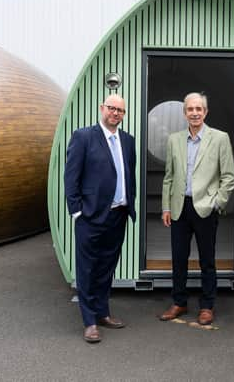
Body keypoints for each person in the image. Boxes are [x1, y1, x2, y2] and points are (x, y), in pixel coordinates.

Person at [64, 94, 136, 343]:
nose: (115, 113)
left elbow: (129, 175)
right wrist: (77, 211)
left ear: (124, 115)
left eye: (120, 111)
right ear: (101, 108)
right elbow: (71, 177)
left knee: (107, 266)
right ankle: (89, 321)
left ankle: (103, 312)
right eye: (112, 108)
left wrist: (129, 204)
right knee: (87, 269)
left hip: (118, 215)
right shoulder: (83, 137)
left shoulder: (128, 141)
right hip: (91, 217)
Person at [159, 92, 234, 325]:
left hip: (205, 208)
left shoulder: (220, 138)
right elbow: (169, 177)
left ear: (205, 112)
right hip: (179, 208)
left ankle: (207, 305)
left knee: (207, 260)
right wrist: (166, 207)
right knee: (178, 258)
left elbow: (229, 176)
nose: (194, 113)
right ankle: (179, 302)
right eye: (190, 109)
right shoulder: (174, 139)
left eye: (198, 109)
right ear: (184, 113)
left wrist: (217, 203)